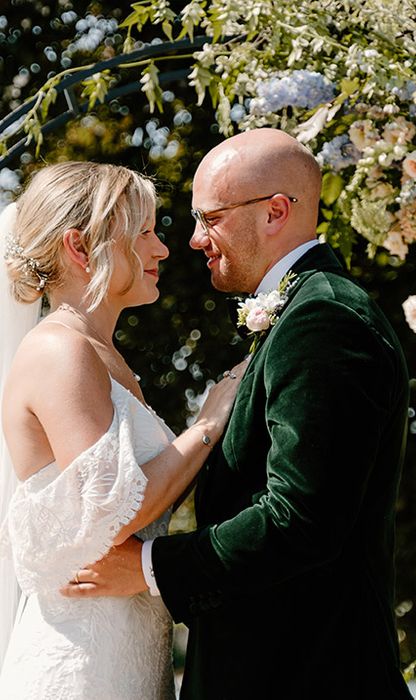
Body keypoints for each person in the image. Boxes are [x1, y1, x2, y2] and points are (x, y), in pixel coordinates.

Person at [65, 128, 414, 699]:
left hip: (308, 675)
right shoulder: (301, 311)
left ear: (275, 211)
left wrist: (150, 567)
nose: (195, 240)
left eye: (211, 218)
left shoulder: (324, 318)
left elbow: (302, 519)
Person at [0, 161, 245, 699]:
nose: (162, 249)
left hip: (127, 651)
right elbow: (117, 510)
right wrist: (208, 423)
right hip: (82, 663)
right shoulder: (59, 351)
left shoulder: (102, 356)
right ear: (81, 249)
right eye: (145, 233)